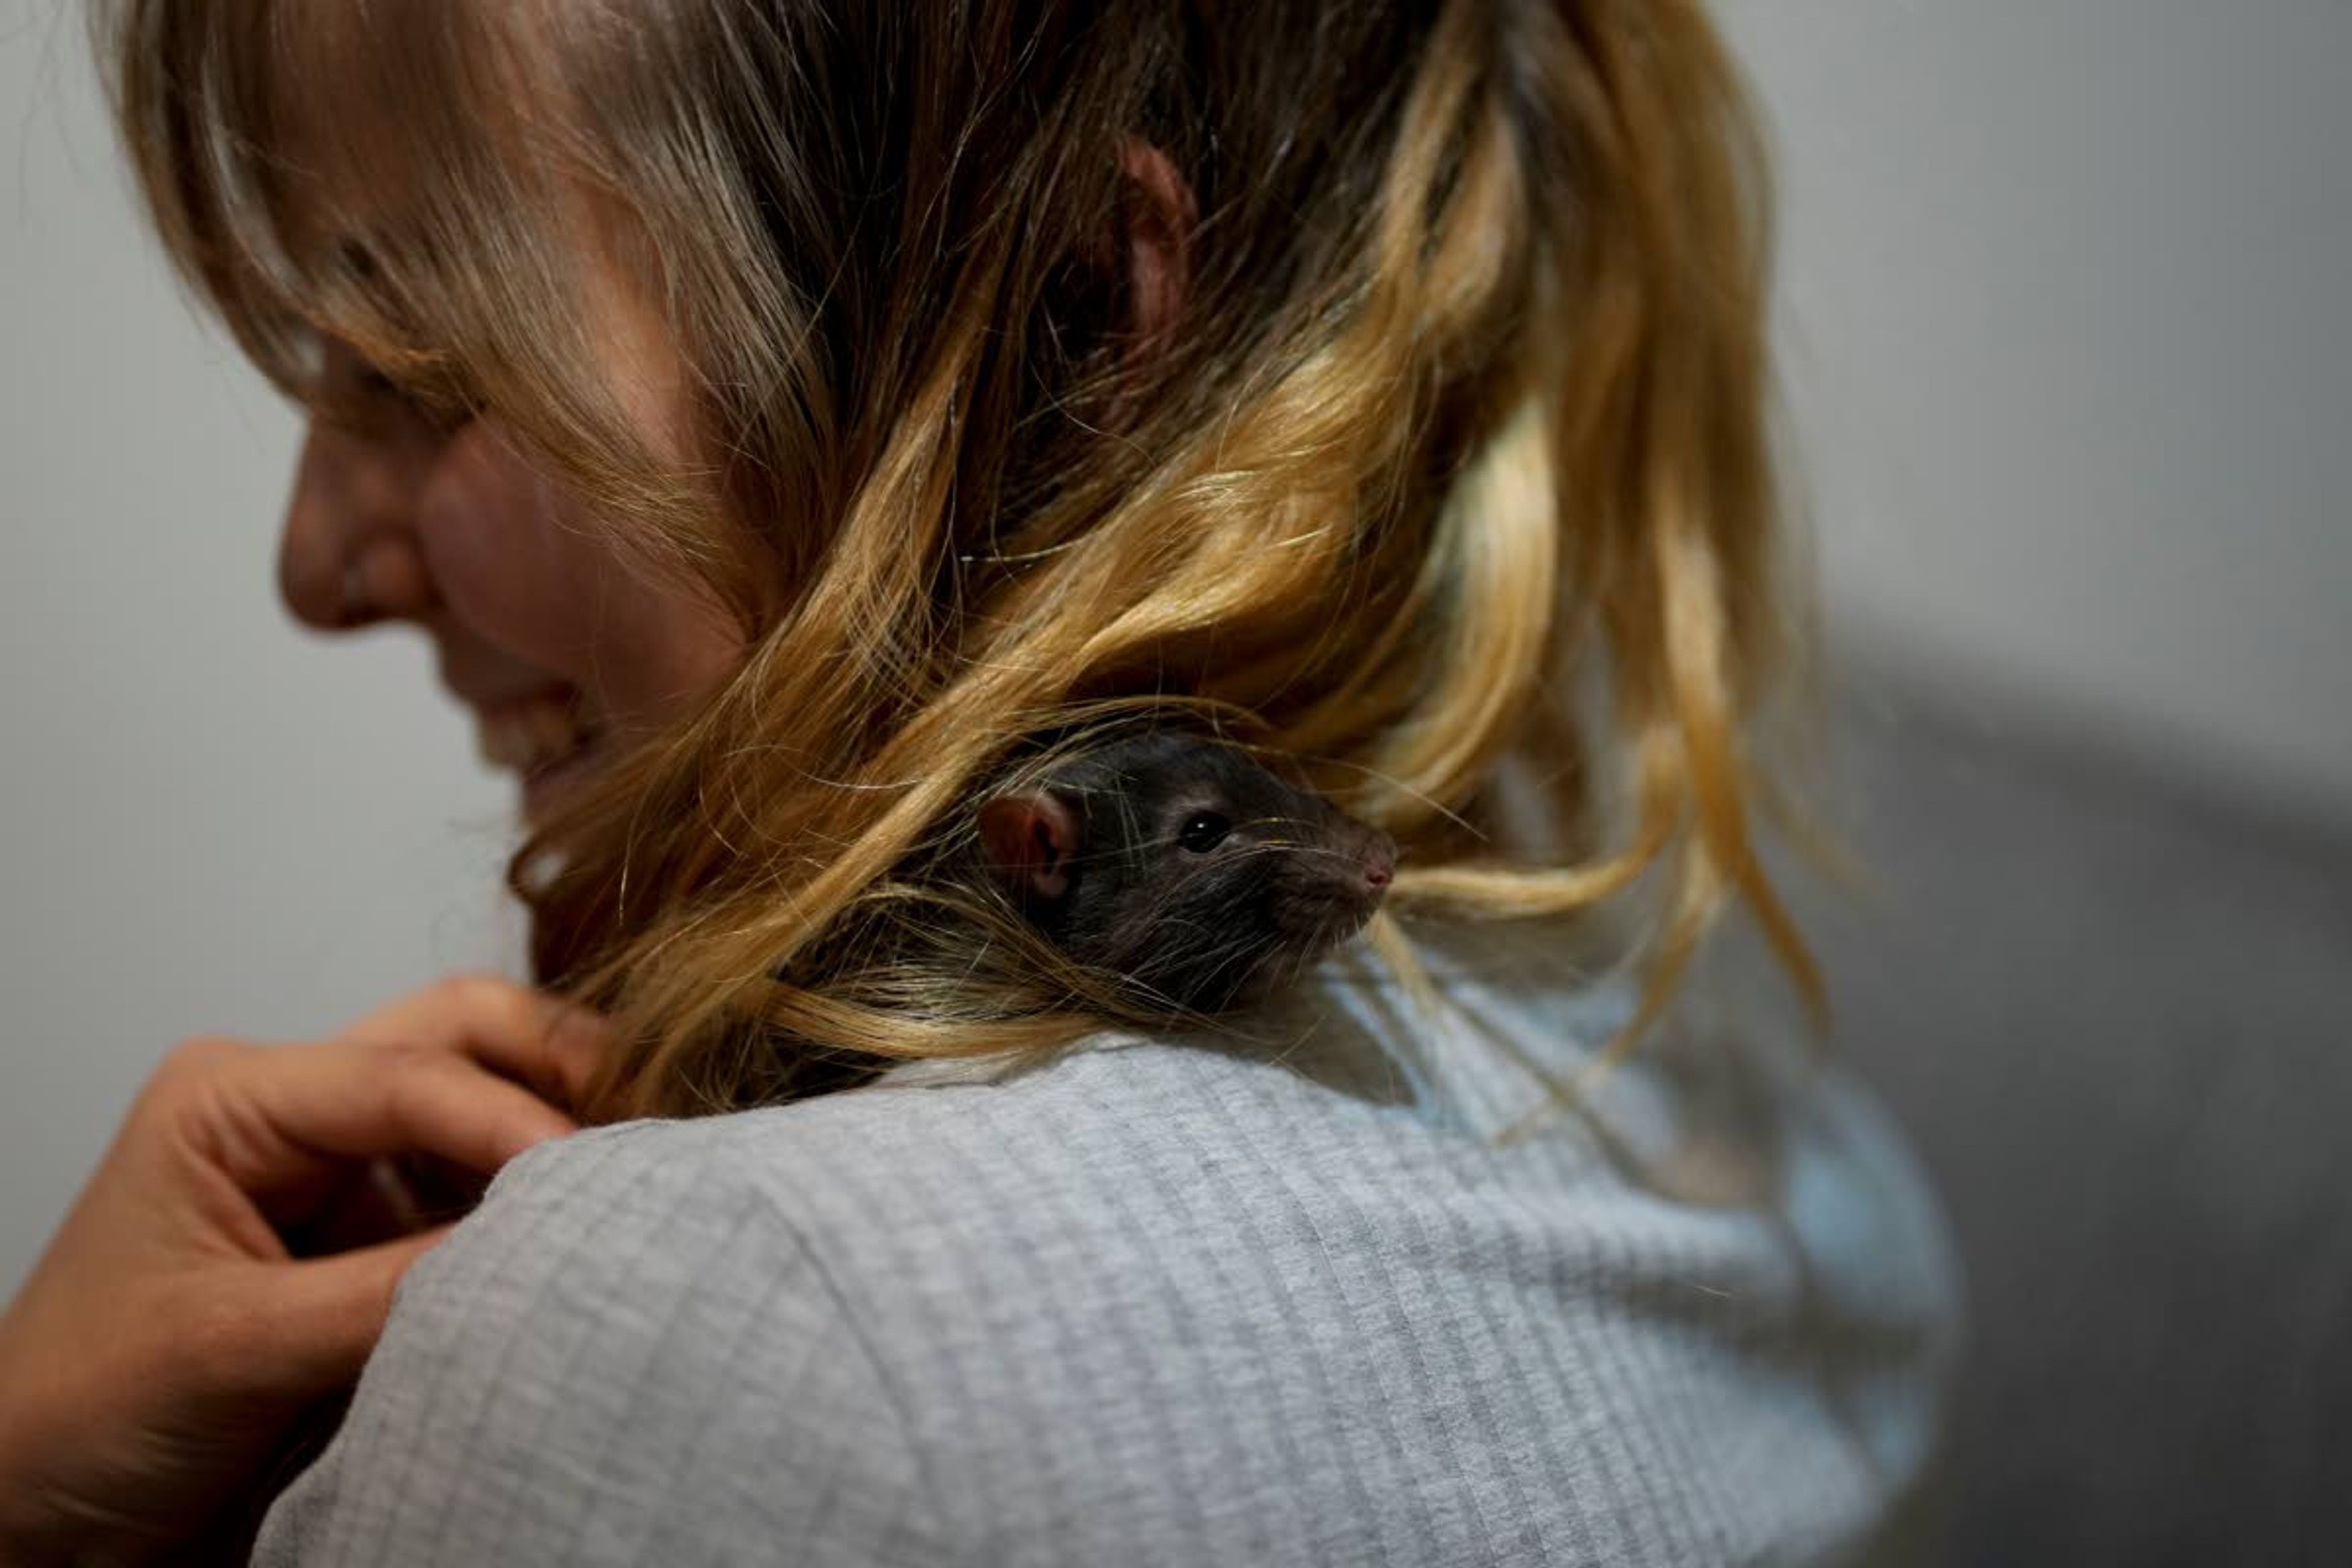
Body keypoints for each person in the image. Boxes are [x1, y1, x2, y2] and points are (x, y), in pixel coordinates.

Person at [0, 0, 1962, 1562]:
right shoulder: (1755, 1126)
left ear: (1072, 314)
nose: (309, 569)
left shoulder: (738, 1332)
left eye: (422, 370)